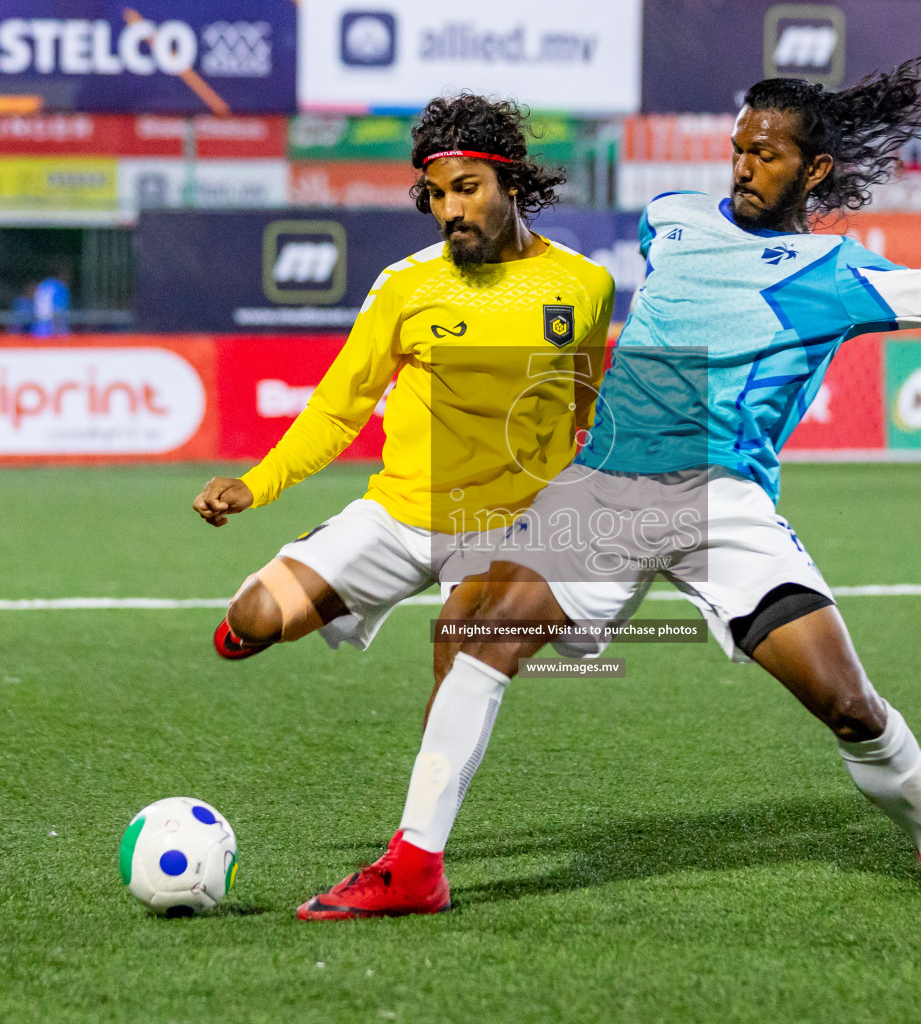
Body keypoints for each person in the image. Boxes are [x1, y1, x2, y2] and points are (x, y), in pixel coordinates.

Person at [296, 57, 921, 922]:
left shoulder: (831, 273)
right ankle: (414, 866)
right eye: (739, 149)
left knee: (850, 707)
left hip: (723, 504)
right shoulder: (672, 219)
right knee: (475, 629)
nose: (742, 167)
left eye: (766, 156)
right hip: (607, 486)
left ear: (814, 171)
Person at [192, 95, 614, 699]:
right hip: (400, 515)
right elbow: (339, 409)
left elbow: (583, 402)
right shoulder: (405, 285)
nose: (450, 210)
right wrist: (257, 484)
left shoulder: (584, 284)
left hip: (503, 527)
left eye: (467, 188)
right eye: (438, 194)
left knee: (460, 657)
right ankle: (287, 597)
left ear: (512, 181)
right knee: (255, 616)